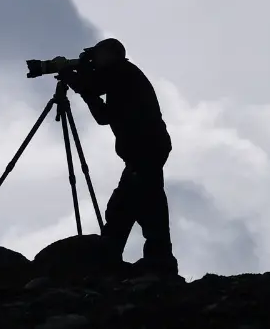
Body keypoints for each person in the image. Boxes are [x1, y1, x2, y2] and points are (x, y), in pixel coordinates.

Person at [57, 38, 179, 277]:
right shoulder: (120, 80)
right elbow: (103, 116)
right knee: (127, 206)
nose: (94, 62)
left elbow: (91, 86)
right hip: (142, 152)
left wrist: (73, 74)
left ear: (110, 55)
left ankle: (155, 261)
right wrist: (80, 82)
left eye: (97, 56)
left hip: (146, 149)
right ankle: (114, 258)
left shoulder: (123, 71)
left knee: (146, 202)